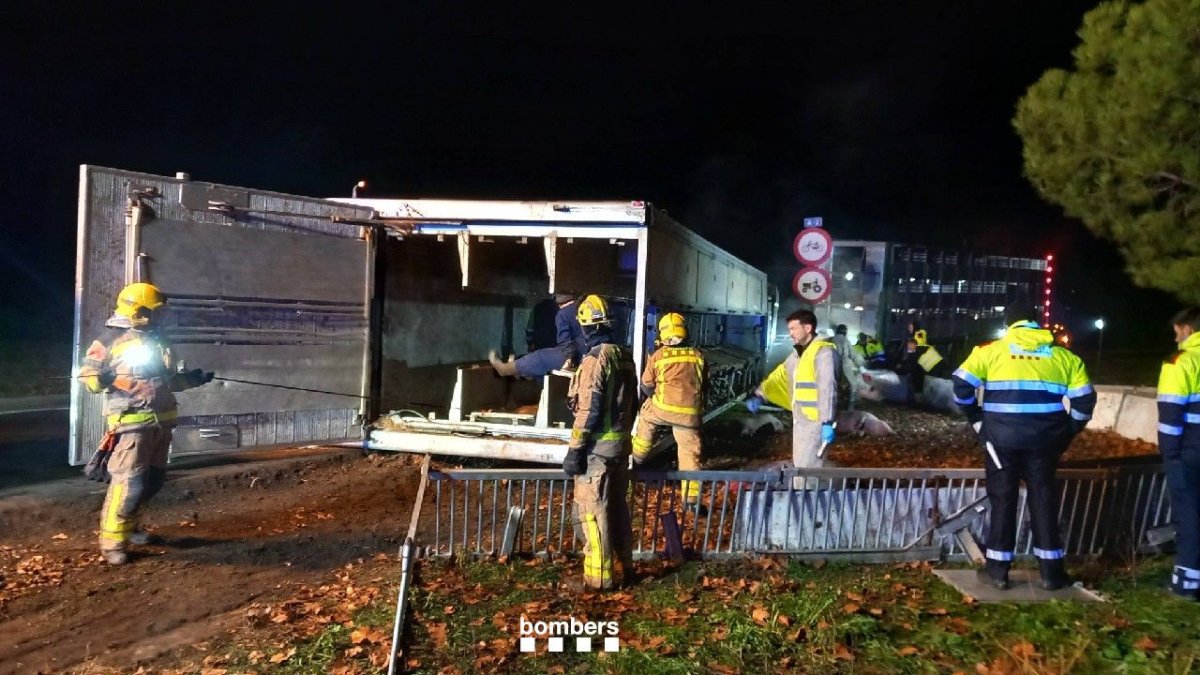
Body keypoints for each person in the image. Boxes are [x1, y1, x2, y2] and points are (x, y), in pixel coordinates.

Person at [952, 306, 1095, 591]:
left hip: (1000, 442)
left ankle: (997, 571)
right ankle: (1051, 573)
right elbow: (1084, 402)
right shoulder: (1063, 357)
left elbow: (960, 384)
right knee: (1043, 499)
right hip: (1045, 443)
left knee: (1003, 499)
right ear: (1038, 325)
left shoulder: (991, 351)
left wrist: (976, 418)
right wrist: (1068, 431)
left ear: (1010, 325)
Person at [77, 282, 213, 566]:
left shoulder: (159, 341)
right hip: (131, 426)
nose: (160, 317)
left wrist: (193, 379)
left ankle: (133, 528)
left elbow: (166, 382)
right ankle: (113, 541)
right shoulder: (109, 340)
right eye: (155, 312)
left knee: (152, 482)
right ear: (138, 311)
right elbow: (88, 379)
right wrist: (101, 379)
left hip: (161, 424)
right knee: (130, 485)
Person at [561, 294, 637, 590]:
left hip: (597, 453)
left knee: (592, 516)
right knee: (617, 512)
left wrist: (575, 450)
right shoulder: (624, 354)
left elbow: (588, 408)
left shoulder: (596, 359)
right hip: (619, 448)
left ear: (585, 327)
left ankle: (598, 581)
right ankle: (624, 570)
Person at [744, 309, 838, 470]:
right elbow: (780, 374)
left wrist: (827, 421)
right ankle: (804, 493)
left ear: (807, 328)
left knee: (809, 468)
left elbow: (828, 388)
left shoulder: (824, 352)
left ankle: (808, 494)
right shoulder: (798, 354)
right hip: (801, 419)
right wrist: (760, 395)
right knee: (802, 464)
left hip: (817, 422)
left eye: (793, 328)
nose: (790, 333)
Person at [632, 312, 706, 512]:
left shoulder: (658, 356)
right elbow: (704, 384)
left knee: (646, 416)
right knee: (690, 454)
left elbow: (646, 385)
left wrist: (655, 396)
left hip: (662, 409)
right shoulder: (698, 355)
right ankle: (691, 501)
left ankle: (636, 460)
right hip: (689, 414)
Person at [1156, 307, 1200, 599]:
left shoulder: (1180, 363)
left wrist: (1170, 454)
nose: (1175, 339)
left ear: (1187, 329)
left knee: (1189, 515)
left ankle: (1186, 584)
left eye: (1176, 333)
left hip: (1190, 449)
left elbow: (1170, 416)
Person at [490, 293, 587, 378]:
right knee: (541, 357)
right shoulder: (584, 307)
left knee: (540, 357)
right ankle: (523, 372)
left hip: (578, 354)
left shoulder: (562, 314)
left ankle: (504, 369)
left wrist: (569, 360)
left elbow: (565, 343)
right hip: (588, 349)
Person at [895, 329, 950, 403]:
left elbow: (908, 365)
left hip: (931, 375)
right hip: (940, 373)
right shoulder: (929, 347)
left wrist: (898, 370)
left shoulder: (916, 351)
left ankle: (918, 397)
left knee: (916, 373)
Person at [829, 324, 864, 411]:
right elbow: (853, 355)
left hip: (832, 364)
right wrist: (861, 365)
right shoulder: (846, 341)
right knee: (852, 385)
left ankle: (831, 406)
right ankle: (850, 407)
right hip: (845, 364)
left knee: (831, 385)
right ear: (845, 331)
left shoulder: (830, 340)